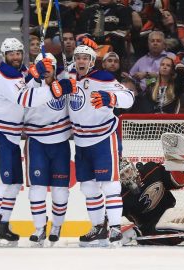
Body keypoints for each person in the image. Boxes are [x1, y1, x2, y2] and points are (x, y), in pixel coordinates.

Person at [0, 38, 74, 245]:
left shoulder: (21, 74)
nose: (15, 57)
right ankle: (16, 228)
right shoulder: (2, 74)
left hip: (16, 136)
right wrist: (53, 89)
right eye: (11, 53)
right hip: (2, 133)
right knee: (2, 184)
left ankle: (2, 225)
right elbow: (25, 98)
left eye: (18, 52)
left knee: (13, 184)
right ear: (3, 55)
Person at [68, 41, 134, 247]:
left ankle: (114, 227)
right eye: (78, 57)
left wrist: (110, 97)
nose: (81, 61)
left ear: (92, 61)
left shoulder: (102, 77)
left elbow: (129, 97)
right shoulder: (68, 78)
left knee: (110, 184)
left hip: (103, 137)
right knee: (88, 187)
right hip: (81, 140)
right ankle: (98, 228)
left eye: (85, 58)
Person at [24, 53, 76, 247]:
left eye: (50, 68)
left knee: (60, 191)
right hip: (36, 142)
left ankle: (57, 226)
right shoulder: (29, 86)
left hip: (61, 143)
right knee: (37, 189)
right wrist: (34, 76)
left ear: (55, 68)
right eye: (43, 68)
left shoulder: (64, 84)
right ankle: (39, 228)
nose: (46, 72)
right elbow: (22, 88)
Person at [120, 133, 184, 246]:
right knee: (149, 235)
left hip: (170, 214)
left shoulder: (151, 169)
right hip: (149, 229)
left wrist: (181, 165)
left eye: (127, 171)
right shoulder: (122, 196)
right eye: (123, 175)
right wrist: (128, 230)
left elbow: (177, 182)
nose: (127, 176)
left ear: (133, 167)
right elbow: (116, 219)